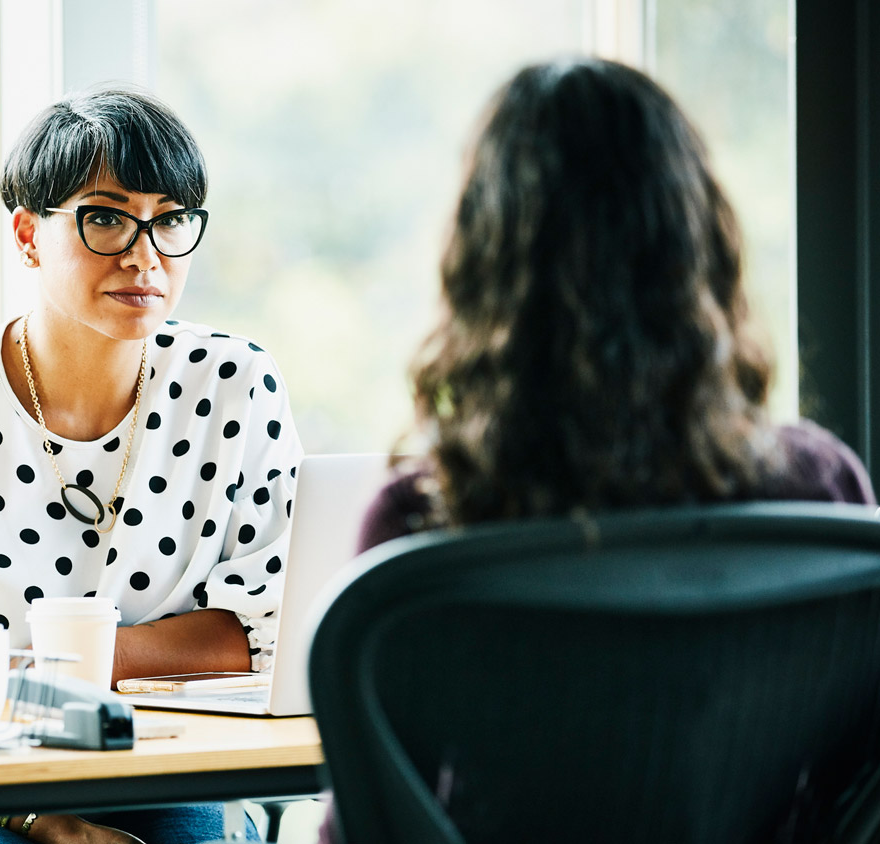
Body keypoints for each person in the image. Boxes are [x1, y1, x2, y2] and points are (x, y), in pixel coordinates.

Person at [319, 57, 875, 844]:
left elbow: (369, 829)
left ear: (478, 266)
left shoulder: (425, 521)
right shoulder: (819, 491)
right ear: (701, 243)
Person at [0, 87, 303, 844]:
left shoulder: (234, 387)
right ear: (29, 235)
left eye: (170, 219)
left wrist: (45, 669)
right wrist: (37, 817)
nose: (145, 255)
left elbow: (275, 631)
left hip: (158, 769)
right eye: (106, 217)